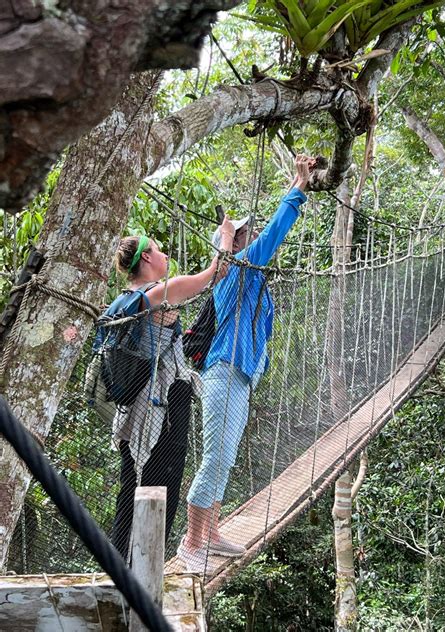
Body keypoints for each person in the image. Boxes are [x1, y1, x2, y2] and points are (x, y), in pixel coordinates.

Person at [179, 155, 314, 572]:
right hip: (223, 371)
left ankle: (211, 533)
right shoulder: (236, 271)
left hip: (241, 376)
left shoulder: (252, 278)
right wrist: (299, 186)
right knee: (216, 457)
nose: (250, 235)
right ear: (233, 245)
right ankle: (190, 543)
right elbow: (276, 232)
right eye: (243, 234)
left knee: (226, 456)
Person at [107, 217, 235, 559]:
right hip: (161, 408)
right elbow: (217, 271)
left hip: (131, 410)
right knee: (160, 492)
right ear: (146, 259)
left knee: (131, 490)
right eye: (157, 250)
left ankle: (119, 570)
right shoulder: (162, 293)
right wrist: (225, 236)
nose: (163, 254)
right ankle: (144, 577)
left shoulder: (123, 301)